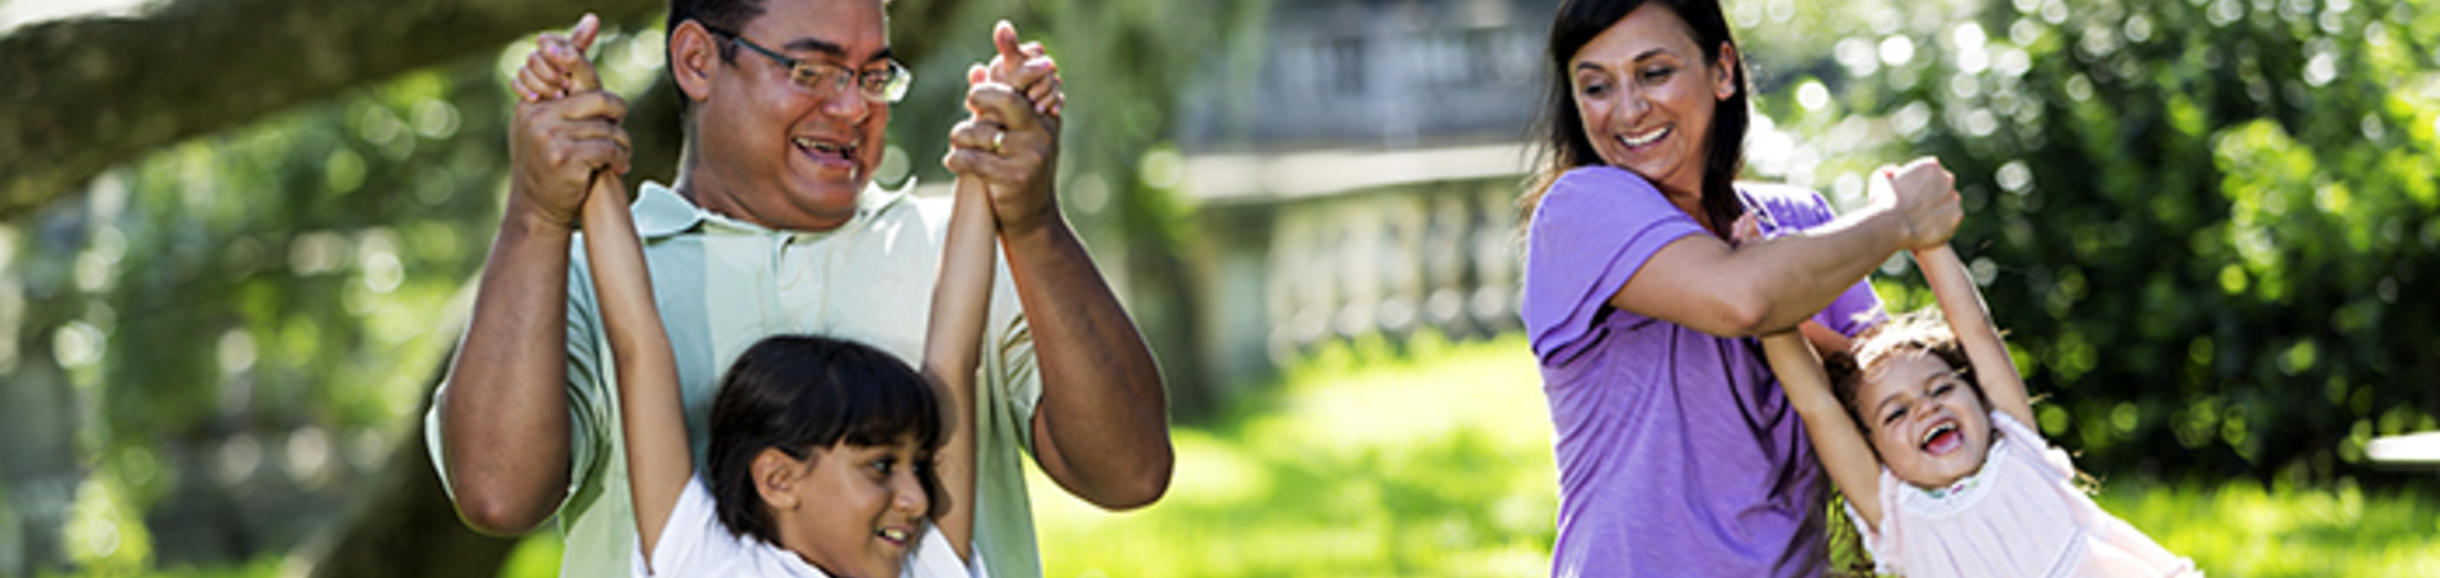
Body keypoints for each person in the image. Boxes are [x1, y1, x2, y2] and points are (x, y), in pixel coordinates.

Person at [427, 2, 1173, 576]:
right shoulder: (574, 274)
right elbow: (497, 493)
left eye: (874, 75)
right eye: (811, 71)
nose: (854, 108)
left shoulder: (966, 253)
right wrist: (537, 211)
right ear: (696, 60)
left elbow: (1133, 472)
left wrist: (1032, 218)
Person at [537, 24, 1003, 575]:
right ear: (779, 478)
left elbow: (954, 353)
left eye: (917, 467)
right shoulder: (707, 563)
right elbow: (637, 341)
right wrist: (586, 140)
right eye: (881, 465)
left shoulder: (923, 566)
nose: (920, 500)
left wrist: (990, 151)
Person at [1517, 0, 1963, 575]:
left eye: (1654, 73)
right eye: (1596, 86)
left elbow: (1888, 398)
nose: (1627, 110)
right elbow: (1743, 298)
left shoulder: (1801, 220)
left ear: (1722, 70)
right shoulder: (1580, 211)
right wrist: (1898, 222)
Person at [1756, 243, 2200, 578]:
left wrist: (1928, 241)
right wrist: (1769, 305)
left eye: (1941, 388)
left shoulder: (2015, 446)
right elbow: (1816, 404)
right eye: (1896, 414)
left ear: (1976, 394)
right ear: (1871, 449)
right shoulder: (1894, 514)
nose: (1926, 409)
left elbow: (1975, 328)